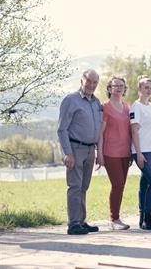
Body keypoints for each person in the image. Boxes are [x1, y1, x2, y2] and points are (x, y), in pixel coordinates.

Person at [57, 69, 102, 235]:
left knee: (84, 186)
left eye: (94, 82)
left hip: (90, 149)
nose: (91, 85)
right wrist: (67, 153)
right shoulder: (71, 100)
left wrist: (98, 151)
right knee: (75, 186)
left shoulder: (96, 102)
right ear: (82, 81)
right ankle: (74, 224)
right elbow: (62, 129)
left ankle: (81, 221)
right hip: (75, 149)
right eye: (88, 81)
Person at [97, 76, 132, 230]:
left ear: (125, 89)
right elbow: (100, 132)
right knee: (117, 184)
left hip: (125, 152)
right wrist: (99, 153)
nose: (118, 88)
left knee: (121, 185)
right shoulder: (105, 107)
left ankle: (116, 217)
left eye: (121, 86)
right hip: (110, 152)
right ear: (109, 88)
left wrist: (132, 151)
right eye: (115, 85)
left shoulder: (127, 107)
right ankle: (114, 220)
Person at [130, 75, 151, 230]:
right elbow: (134, 132)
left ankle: (142, 218)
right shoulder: (136, 107)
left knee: (145, 183)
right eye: (145, 87)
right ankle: (147, 219)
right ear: (139, 89)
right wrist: (139, 153)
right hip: (143, 151)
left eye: (150, 87)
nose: (148, 90)